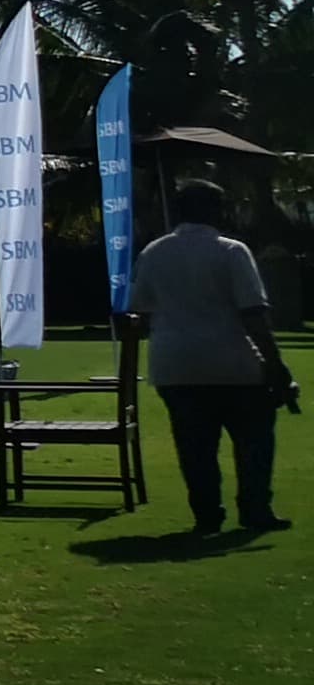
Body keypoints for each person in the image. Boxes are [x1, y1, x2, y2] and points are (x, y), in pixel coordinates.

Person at [134, 179, 287, 536]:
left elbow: (140, 311)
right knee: (254, 441)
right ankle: (255, 508)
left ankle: (206, 515)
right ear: (214, 212)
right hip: (232, 361)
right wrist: (275, 365)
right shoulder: (232, 251)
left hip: (174, 363)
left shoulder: (153, 252)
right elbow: (253, 313)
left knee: (195, 448)